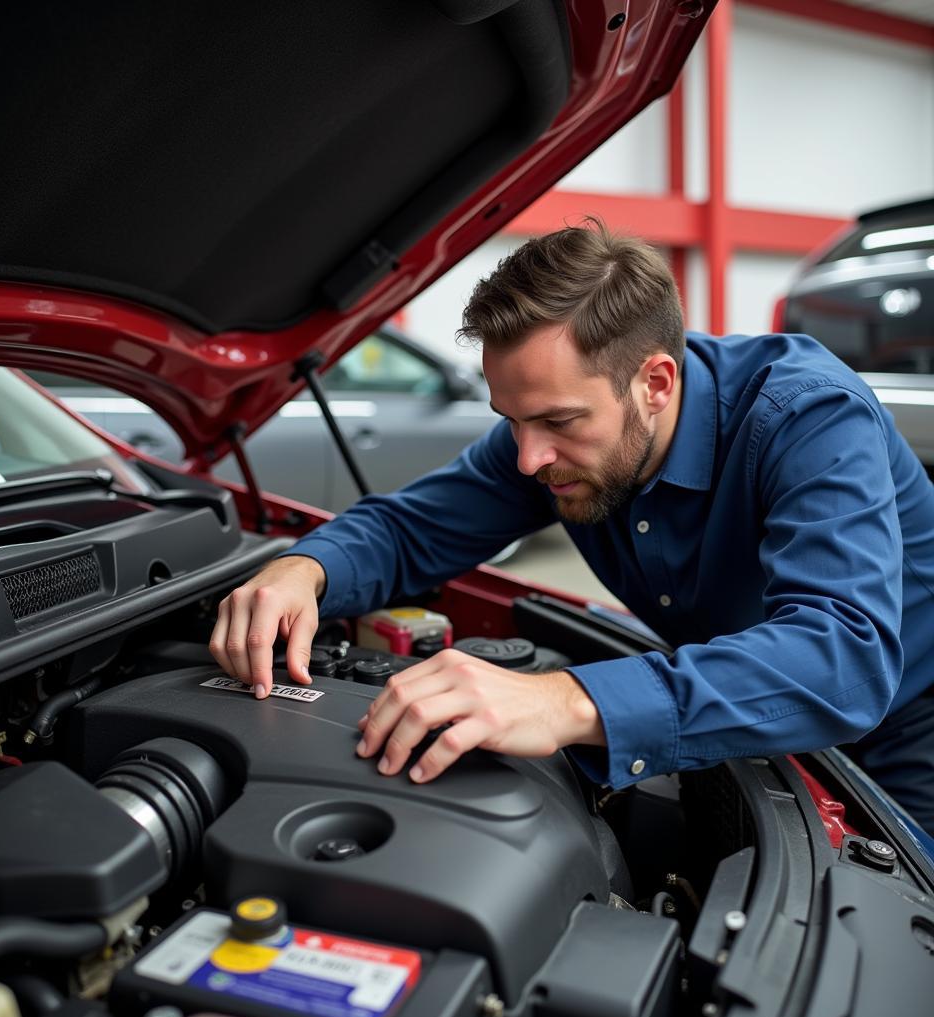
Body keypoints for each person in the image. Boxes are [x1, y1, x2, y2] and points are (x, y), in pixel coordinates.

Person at [210, 219, 934, 833]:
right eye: (512, 422)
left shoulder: (807, 419)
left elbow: (844, 657)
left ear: (655, 383)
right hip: (743, 713)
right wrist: (306, 569)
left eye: (558, 422)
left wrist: (567, 699)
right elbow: (410, 529)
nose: (528, 459)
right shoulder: (545, 438)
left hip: (909, 726)